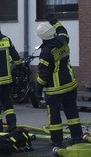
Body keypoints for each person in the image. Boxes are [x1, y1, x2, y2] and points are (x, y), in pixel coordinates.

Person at [35, 20, 86, 148]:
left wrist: (37, 88)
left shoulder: (46, 52)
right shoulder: (63, 41)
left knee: (54, 115)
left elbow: (44, 75)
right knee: (72, 112)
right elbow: (63, 31)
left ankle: (56, 141)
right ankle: (77, 136)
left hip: (55, 89)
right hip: (70, 84)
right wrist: (55, 21)